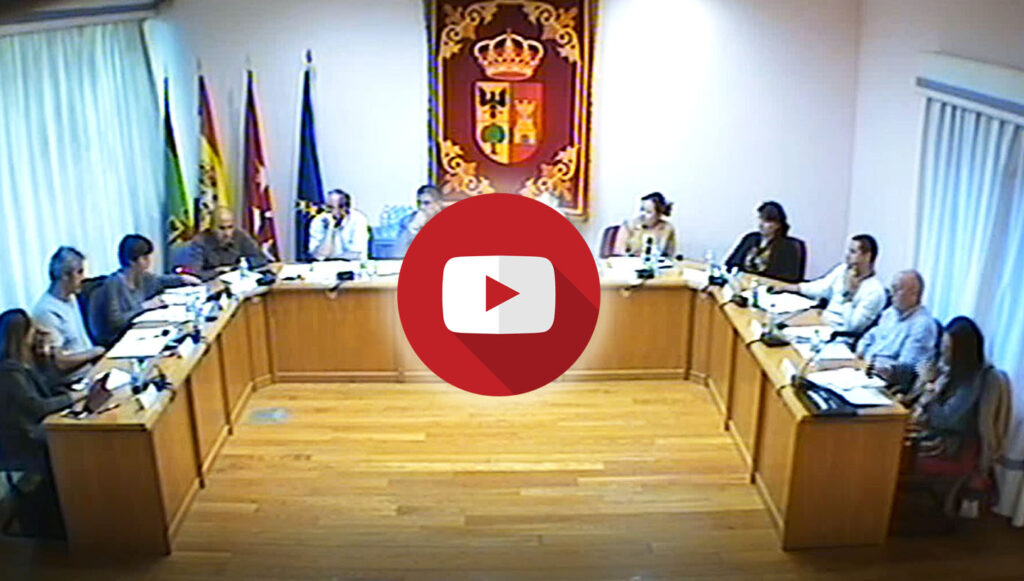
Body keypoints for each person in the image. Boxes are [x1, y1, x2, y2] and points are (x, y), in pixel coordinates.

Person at [0, 309, 83, 538]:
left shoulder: (22, 364)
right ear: (22, 336)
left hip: (35, 429)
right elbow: (37, 407)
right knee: (76, 445)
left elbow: (48, 388)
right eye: (33, 332)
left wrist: (45, 357)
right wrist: (74, 397)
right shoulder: (8, 373)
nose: (37, 336)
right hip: (22, 442)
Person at [905, 317, 997, 460]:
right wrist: (917, 380)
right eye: (943, 346)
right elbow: (916, 376)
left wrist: (930, 395)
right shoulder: (943, 364)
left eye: (948, 349)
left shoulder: (971, 381)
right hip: (925, 425)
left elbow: (947, 419)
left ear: (961, 353)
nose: (943, 352)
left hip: (944, 440)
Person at [88, 234, 200, 346]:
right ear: (131, 261)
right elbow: (116, 322)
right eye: (145, 258)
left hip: (139, 332)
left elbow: (160, 281)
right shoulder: (112, 285)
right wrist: (144, 307)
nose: (149, 262)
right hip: (120, 340)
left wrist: (183, 279)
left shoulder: (142, 277)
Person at [775, 234, 886, 335]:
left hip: (839, 335)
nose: (847, 255)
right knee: (779, 329)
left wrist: (849, 295)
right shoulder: (842, 270)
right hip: (822, 323)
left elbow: (852, 327)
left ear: (867, 256)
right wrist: (795, 288)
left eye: (853, 252)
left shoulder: (874, 291)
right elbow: (821, 287)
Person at [32, 247, 105, 382]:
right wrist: (93, 353)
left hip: (90, 371)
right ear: (64, 276)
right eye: (79, 272)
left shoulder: (71, 298)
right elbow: (59, 363)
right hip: (73, 381)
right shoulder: (46, 312)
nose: (83, 278)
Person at [856, 270, 938, 387]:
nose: (891, 293)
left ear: (913, 294)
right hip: (863, 368)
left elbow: (904, 369)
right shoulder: (890, 313)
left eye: (896, 289)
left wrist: (873, 366)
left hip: (883, 382)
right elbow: (871, 336)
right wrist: (861, 350)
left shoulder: (923, 325)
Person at [174, 207, 270, 280]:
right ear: (212, 228)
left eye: (230, 227)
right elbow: (194, 273)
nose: (227, 233)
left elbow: (261, 259)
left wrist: (236, 268)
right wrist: (217, 272)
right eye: (222, 228)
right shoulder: (199, 242)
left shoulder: (240, 236)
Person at [724, 201, 805, 282]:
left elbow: (790, 278)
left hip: (770, 286)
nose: (761, 224)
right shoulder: (750, 238)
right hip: (742, 283)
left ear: (778, 224)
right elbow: (730, 264)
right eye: (760, 219)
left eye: (766, 221)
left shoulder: (789, 246)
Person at [308, 189, 369, 261]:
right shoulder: (319, 221)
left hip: (352, 265)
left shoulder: (358, 219)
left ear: (344, 209)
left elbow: (356, 254)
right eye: (326, 207)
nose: (327, 212)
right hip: (326, 265)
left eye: (331, 208)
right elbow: (318, 256)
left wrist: (332, 258)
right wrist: (330, 229)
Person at [612, 192, 677, 258]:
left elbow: (670, 255)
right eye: (642, 209)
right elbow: (619, 252)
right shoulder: (628, 225)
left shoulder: (667, 228)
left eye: (648, 212)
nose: (642, 214)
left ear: (659, 214)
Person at [397, 185, 443, 254]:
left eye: (426, 203)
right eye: (419, 203)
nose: (421, 207)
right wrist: (413, 228)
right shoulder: (408, 221)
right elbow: (397, 253)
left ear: (438, 204)